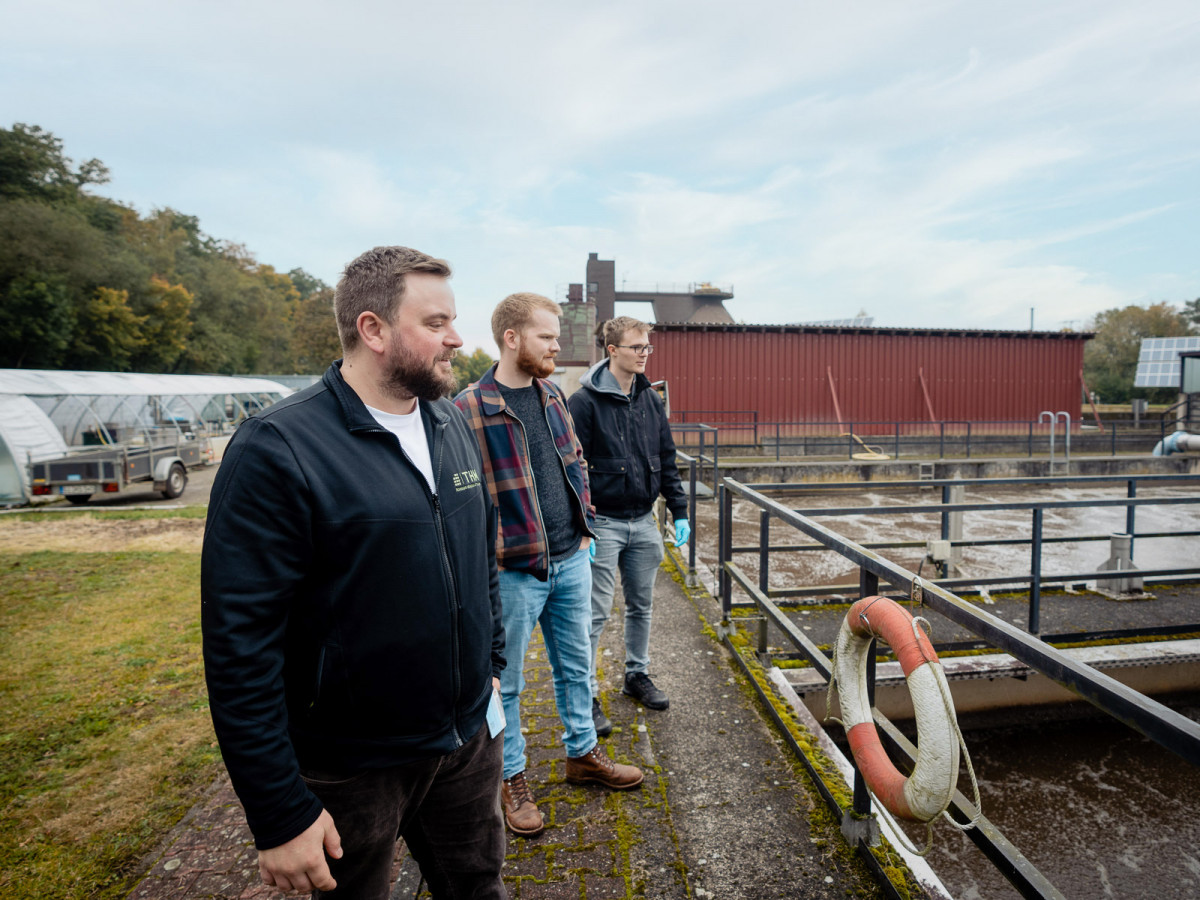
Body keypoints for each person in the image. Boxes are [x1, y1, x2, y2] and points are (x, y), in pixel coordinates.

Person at [201, 246, 507, 899]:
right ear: (373, 330)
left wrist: (491, 666)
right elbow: (239, 646)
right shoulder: (278, 448)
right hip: (350, 767)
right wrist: (279, 812)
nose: (458, 338)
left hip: (464, 745)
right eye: (435, 323)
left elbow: (480, 548)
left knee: (478, 885)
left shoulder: (449, 422)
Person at [454, 293, 643, 839]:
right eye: (547, 337)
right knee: (504, 684)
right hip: (511, 573)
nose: (558, 346)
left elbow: (575, 459)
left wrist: (583, 522)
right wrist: (488, 549)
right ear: (512, 339)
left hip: (571, 559)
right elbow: (461, 495)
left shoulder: (553, 394)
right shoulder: (468, 408)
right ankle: (511, 777)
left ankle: (582, 753)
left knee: (577, 666)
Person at [568, 316, 690, 733]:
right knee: (594, 614)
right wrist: (583, 525)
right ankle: (586, 694)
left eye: (647, 347)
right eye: (636, 347)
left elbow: (666, 457)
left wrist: (681, 510)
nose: (643, 353)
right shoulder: (584, 403)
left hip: (644, 521)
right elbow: (573, 469)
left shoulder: (650, 399)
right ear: (612, 350)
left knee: (642, 606)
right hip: (604, 525)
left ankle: (636, 675)